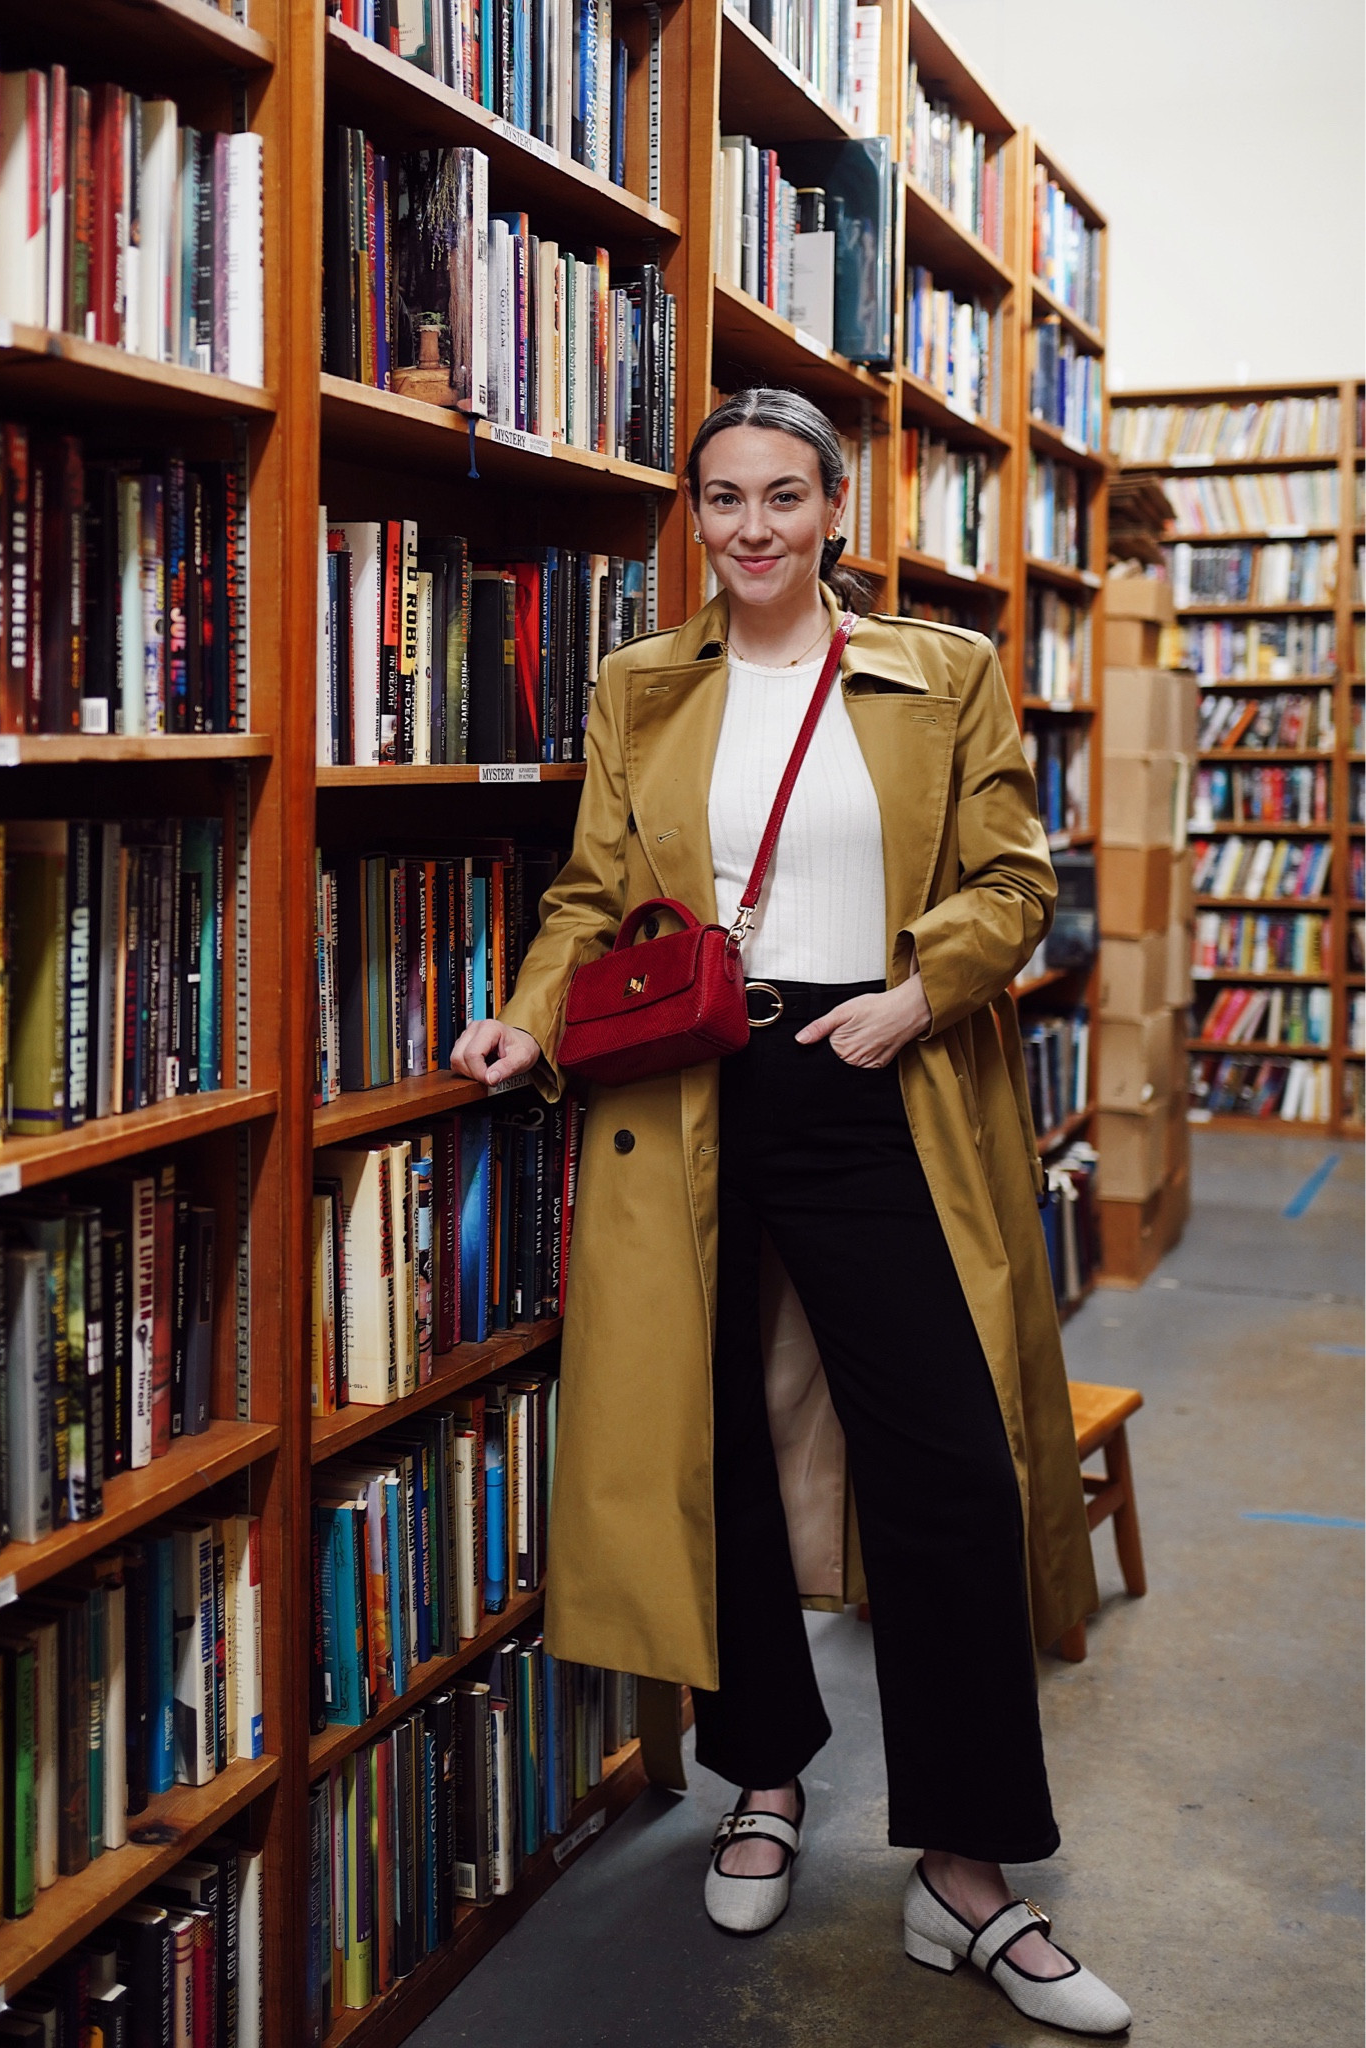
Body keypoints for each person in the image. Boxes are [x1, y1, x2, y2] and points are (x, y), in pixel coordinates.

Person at [450, 387, 1132, 2036]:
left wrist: (919, 992)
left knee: (951, 1468)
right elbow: (591, 897)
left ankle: (966, 1873)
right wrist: (531, 1018)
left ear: (836, 508)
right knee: (714, 1451)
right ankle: (763, 1778)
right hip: (681, 1096)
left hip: (871, 1078)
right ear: (692, 518)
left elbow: (1014, 883)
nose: (749, 528)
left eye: (781, 497)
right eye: (719, 501)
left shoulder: (938, 673)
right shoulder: (640, 685)